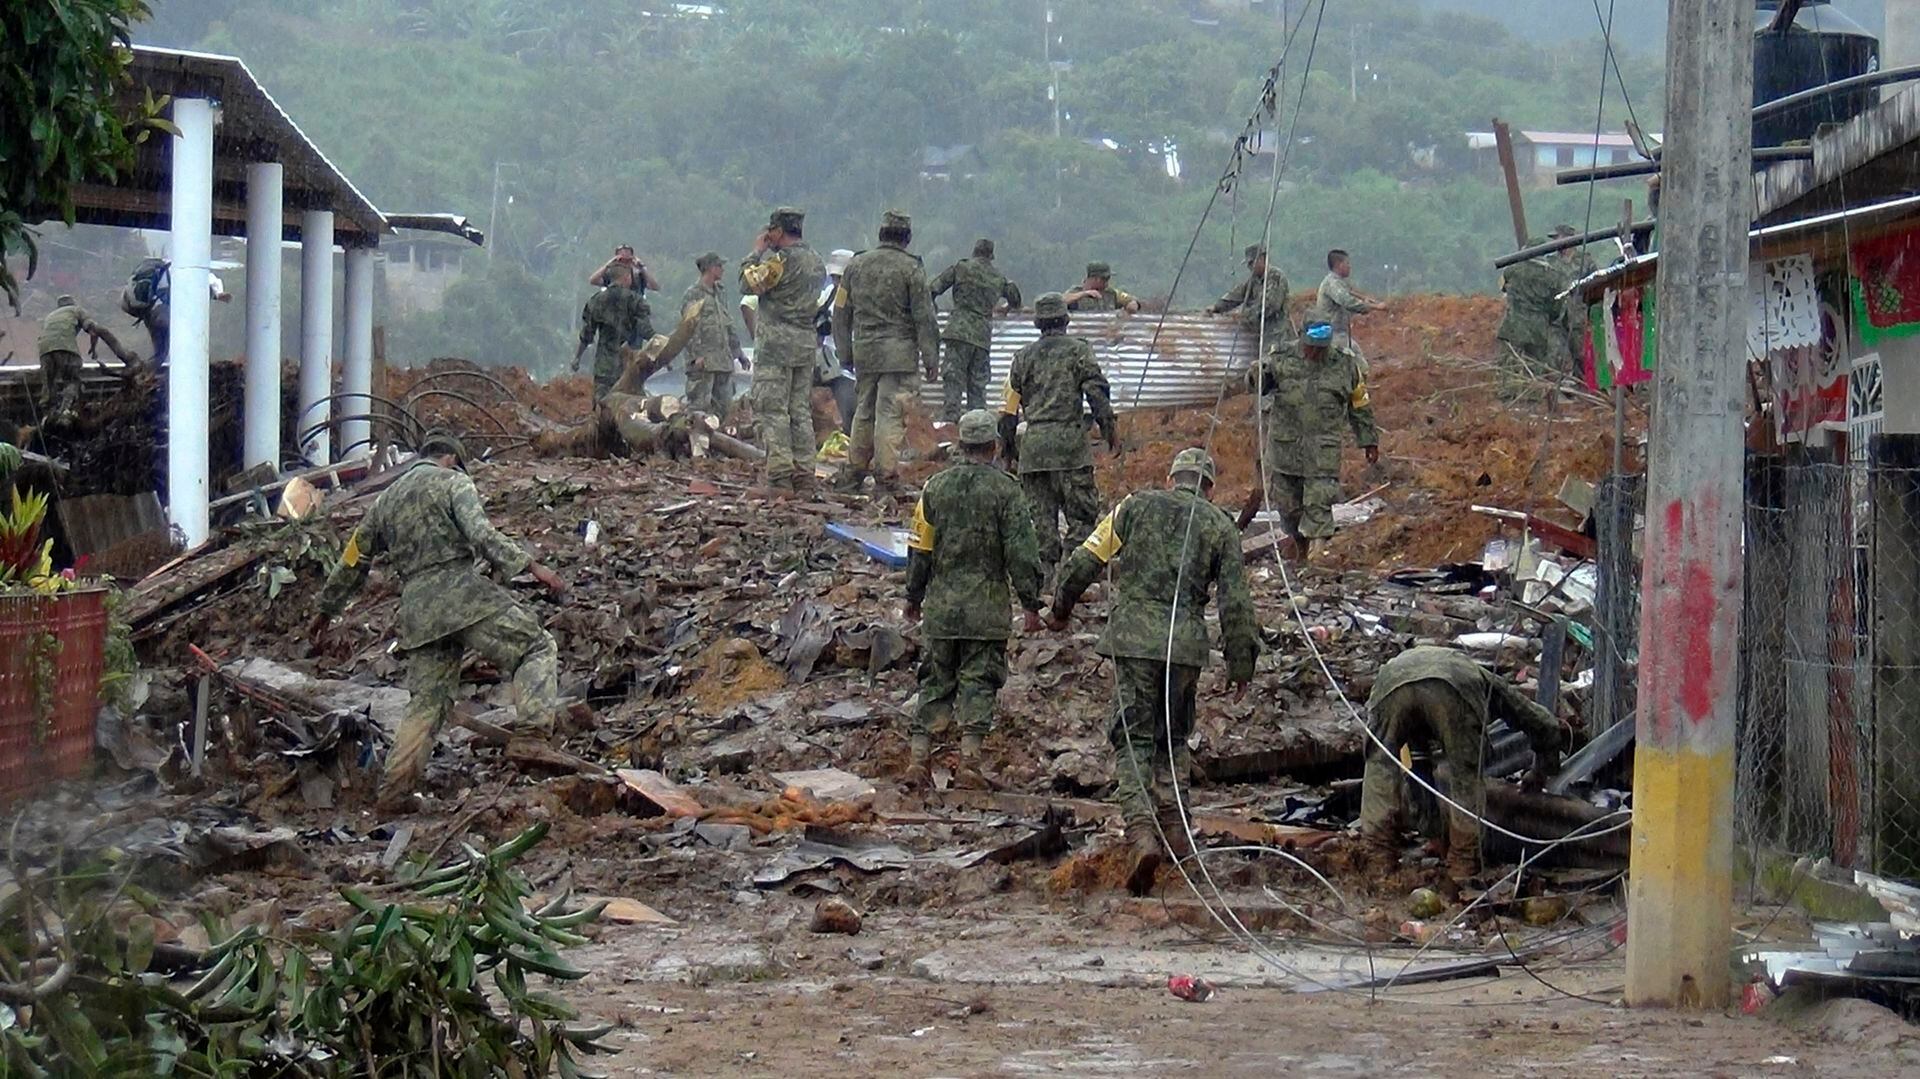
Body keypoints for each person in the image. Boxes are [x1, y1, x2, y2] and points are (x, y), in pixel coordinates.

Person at [310, 433, 571, 811]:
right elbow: (480, 534)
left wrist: (324, 612)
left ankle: (395, 792)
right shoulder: (453, 481)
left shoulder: (385, 501)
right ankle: (532, 734)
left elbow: (353, 559)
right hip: (459, 592)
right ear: (450, 458)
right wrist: (532, 567)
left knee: (427, 702)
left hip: (417, 609)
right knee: (535, 646)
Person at [1048, 448, 1259, 895]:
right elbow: (1236, 603)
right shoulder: (1220, 525)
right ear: (1208, 486)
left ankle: (1142, 832)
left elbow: (1088, 558)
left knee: (1133, 736)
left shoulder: (1134, 506)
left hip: (1133, 638)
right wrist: (1242, 662)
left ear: (1171, 478)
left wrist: (1061, 607)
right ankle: (1177, 830)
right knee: (1174, 737)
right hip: (1183, 645)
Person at [903, 409, 1046, 791]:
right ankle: (969, 764)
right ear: (994, 446)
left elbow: (920, 548)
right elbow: (1022, 551)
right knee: (979, 683)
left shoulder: (934, 488)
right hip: (987, 610)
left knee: (934, 681)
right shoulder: (1007, 490)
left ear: (961, 446)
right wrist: (1031, 604)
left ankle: (918, 760)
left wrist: (913, 597)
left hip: (942, 609)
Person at [1358, 645, 1570, 882]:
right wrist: (1542, 770)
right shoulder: (1485, 682)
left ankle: (1377, 862)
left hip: (1392, 685)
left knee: (1380, 768)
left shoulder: (1482, 682)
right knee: (1465, 777)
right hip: (1450, 687)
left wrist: (1433, 834)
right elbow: (1543, 723)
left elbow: (1418, 775)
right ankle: (1461, 867)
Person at [999, 291, 1116, 581]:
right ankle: (1073, 578)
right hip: (1071, 447)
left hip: (1034, 448)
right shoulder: (1079, 350)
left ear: (1038, 323)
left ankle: (1043, 579)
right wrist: (1109, 427)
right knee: (1082, 516)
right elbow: (1095, 391)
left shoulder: (1022, 358)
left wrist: (1008, 451)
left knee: (1040, 522)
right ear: (1065, 319)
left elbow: (1008, 411)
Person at [1240, 319, 1378, 561]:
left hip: (1322, 453)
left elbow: (1360, 404)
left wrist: (1368, 440)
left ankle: (1317, 562)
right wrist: (1255, 375)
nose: (1316, 352)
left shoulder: (1345, 365)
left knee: (1319, 506)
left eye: (1321, 347)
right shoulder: (1281, 358)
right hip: (1286, 452)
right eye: (1312, 346)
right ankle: (1301, 550)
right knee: (1289, 510)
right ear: (1301, 338)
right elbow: (1256, 386)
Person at [831, 209, 939, 494]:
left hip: (865, 353)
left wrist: (845, 352)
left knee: (864, 410)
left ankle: (855, 469)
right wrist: (931, 357)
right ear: (907, 238)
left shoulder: (855, 266)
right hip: (899, 356)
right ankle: (886, 475)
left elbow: (840, 313)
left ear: (881, 234)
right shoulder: (911, 269)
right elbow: (924, 317)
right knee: (891, 412)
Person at [740, 207, 829, 492]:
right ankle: (805, 472)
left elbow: (747, 283)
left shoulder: (779, 262)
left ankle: (779, 474)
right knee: (799, 409)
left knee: (772, 409)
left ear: (778, 231)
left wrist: (756, 252)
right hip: (804, 344)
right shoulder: (817, 262)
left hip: (776, 345)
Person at [930, 239, 1022, 422]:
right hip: (981, 336)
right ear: (991, 256)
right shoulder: (998, 277)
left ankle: (950, 421)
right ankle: (977, 425)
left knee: (953, 379)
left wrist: (932, 309)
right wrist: (1006, 307)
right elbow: (1016, 299)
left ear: (974, 252)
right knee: (978, 385)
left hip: (958, 330)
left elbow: (933, 288)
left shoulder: (960, 268)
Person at [37, 294, 137, 421]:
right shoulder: (76, 310)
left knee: (48, 383)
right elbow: (93, 331)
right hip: (66, 347)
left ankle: (46, 416)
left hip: (44, 350)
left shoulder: (50, 316)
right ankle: (65, 411)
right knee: (72, 380)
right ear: (72, 302)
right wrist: (93, 349)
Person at [573, 261, 653, 402]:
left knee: (601, 406)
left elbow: (587, 335)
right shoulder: (636, 300)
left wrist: (577, 358)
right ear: (627, 278)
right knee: (630, 406)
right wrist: (662, 348)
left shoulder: (596, 300)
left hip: (604, 366)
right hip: (627, 366)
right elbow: (646, 331)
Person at [681, 252, 746, 417]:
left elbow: (728, 323)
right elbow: (688, 327)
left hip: (723, 361)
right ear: (710, 268)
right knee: (698, 408)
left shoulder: (720, 292)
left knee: (724, 408)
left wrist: (738, 353)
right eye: (719, 266)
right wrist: (696, 356)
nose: (722, 270)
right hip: (704, 362)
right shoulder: (693, 293)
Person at [1493, 236, 1569, 369]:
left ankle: (1508, 389)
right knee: (1535, 367)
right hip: (1538, 330)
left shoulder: (1512, 270)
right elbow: (1557, 308)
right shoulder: (1554, 277)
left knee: (1507, 366)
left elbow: (1502, 288)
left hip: (1512, 326)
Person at [1208, 243, 1296, 355]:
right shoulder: (1254, 280)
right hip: (1264, 336)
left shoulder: (1275, 277)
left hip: (1279, 336)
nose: (1249, 267)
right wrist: (1217, 307)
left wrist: (1245, 315)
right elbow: (1237, 294)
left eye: (1251, 263)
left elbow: (1270, 305)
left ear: (1261, 259)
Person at [1313, 249, 1385, 364]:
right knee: (1358, 365)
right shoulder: (1333, 283)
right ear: (1339, 265)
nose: (1349, 267)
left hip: (1338, 334)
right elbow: (1347, 301)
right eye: (1347, 263)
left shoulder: (1338, 283)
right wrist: (1375, 307)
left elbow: (1349, 295)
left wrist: (1365, 300)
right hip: (1334, 336)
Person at [819, 248, 858, 435]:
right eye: (834, 277)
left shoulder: (860, 295)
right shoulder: (829, 294)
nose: (837, 280)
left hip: (854, 361)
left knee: (852, 409)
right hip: (833, 362)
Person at [1063, 261, 1141, 314]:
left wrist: (1131, 306)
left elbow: (1131, 301)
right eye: (1104, 279)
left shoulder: (1111, 293)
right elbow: (1061, 301)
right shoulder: (1076, 292)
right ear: (1094, 278)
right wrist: (1084, 294)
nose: (1107, 282)